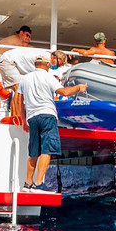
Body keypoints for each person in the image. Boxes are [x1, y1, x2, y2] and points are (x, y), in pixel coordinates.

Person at [18, 55, 87, 189]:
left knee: (33, 152)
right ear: (48, 65)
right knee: (47, 150)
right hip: (47, 116)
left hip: (32, 117)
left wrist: (23, 119)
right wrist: (78, 87)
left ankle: (28, 183)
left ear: (35, 64)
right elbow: (65, 92)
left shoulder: (24, 79)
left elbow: (19, 101)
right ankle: (38, 183)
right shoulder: (48, 77)